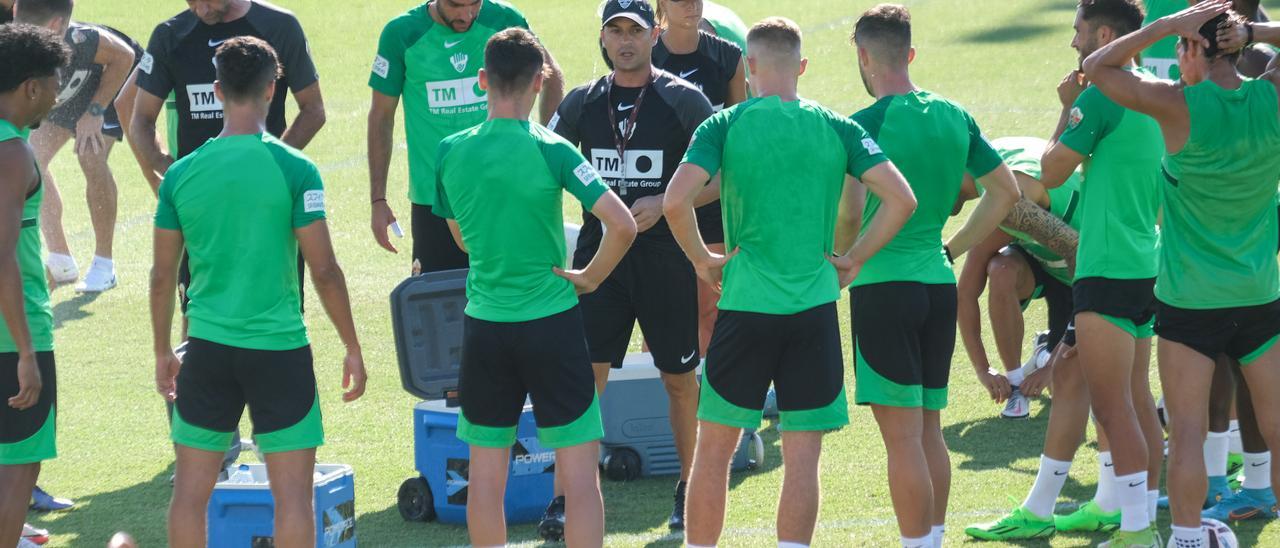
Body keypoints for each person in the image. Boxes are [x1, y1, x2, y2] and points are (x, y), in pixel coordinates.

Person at [667, 16, 917, 548]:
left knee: (712, 451)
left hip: (744, 309)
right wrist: (853, 258)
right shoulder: (839, 127)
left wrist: (699, 259)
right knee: (803, 457)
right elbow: (902, 199)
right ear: (801, 67)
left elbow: (674, 200)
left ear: (750, 67)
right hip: (813, 313)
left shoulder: (724, 124)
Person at [150, 37, 367, 548]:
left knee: (190, 495)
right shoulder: (296, 169)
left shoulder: (180, 174)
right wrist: (352, 346)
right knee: (292, 498)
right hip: (280, 351)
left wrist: (162, 348)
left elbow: (162, 276)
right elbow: (325, 270)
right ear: (274, 89)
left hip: (206, 350)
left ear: (218, 90)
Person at [1085, 2, 1280, 545]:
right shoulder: (1272, 97)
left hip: (1189, 303)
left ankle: (1188, 537)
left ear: (1191, 48)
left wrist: (1166, 23)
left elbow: (1097, 68)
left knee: (1189, 433)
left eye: (1181, 43)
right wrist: (1252, 31)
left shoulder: (1175, 106)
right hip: (1260, 295)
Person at [434, 28, 636, 547]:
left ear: (482, 81)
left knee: (484, 477)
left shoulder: (450, 152)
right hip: (553, 326)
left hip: (485, 328)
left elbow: (459, 236)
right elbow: (623, 224)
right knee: (580, 475)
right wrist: (590, 276)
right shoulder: (554, 149)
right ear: (540, 79)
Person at [128, 0, 326, 471]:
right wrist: (169, 170)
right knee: (194, 311)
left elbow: (314, 108)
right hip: (201, 208)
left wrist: (268, 167)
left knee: (279, 308)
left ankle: (276, 435)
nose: (199, 6)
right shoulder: (171, 34)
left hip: (270, 207)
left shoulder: (278, 26)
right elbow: (139, 121)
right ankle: (209, 441)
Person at [849, 6, 1020, 547]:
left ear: (863, 56)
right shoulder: (954, 115)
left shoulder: (861, 125)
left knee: (901, 441)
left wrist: (840, 257)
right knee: (927, 430)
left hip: (882, 290)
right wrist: (955, 246)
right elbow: (1006, 192)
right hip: (936, 284)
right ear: (910, 54)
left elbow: (849, 215)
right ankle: (933, 539)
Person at [544, 0, 713, 536]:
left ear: (656, 33)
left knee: (680, 381)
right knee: (583, 383)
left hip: (666, 263)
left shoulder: (685, 100)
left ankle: (688, 487)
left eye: (635, 31)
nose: (625, 40)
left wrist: (669, 200)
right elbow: (542, 165)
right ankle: (566, 496)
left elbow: (725, 175)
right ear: (602, 36)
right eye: (614, 30)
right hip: (600, 265)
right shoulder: (580, 103)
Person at [1039, 1, 1169, 545]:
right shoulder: (1159, 95)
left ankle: (1137, 530)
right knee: (1137, 400)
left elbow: (1048, 174)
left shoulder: (1100, 97)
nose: (1074, 43)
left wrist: (1068, 107)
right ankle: (1140, 515)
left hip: (1107, 266)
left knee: (1114, 408)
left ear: (1106, 34)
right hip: (1148, 263)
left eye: (1079, 31)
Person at [962, 139, 1133, 541]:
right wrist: (985, 368)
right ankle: (1103, 504)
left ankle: (1132, 509)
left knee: (1115, 391)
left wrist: (1058, 354)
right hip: (1099, 271)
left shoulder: (1032, 191)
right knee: (1090, 384)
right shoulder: (1011, 195)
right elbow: (966, 289)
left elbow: (1084, 261)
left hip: (1119, 273)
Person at [368, 0, 565, 274]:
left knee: (511, 296)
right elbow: (380, 117)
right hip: (435, 201)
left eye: (474, 4)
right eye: (455, 6)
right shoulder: (402, 33)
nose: (466, 15)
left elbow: (550, 76)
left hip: (505, 191)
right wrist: (378, 199)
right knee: (438, 304)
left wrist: (546, 146)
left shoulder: (504, 20)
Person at [14, 0, 139, 293]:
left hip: (111, 86)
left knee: (90, 155)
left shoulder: (83, 39)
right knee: (31, 158)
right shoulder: (19, 41)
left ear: (56, 27)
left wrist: (94, 113)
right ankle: (61, 259)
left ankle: (104, 265)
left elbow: (125, 57)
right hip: (67, 93)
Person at [956, 137, 1082, 420]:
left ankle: (1048, 348)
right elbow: (965, 292)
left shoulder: (1014, 192)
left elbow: (1099, 296)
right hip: (1043, 260)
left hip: (1083, 277)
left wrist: (1051, 368)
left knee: (1073, 385)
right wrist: (983, 369)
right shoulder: (995, 181)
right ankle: (1015, 384)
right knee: (1001, 269)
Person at [0, 22, 68, 548]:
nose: (58, 92)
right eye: (53, 82)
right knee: (20, 463)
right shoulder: (12, 154)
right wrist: (25, 350)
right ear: (30, 88)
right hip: (11, 337)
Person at [652, 0, 747, 357]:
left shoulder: (728, 58)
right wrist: (664, 202)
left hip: (711, 207)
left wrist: (681, 199)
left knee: (711, 310)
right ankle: (663, 406)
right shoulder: (646, 56)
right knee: (663, 316)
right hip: (656, 203)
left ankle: (710, 405)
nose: (691, 4)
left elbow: (738, 145)